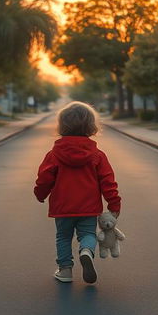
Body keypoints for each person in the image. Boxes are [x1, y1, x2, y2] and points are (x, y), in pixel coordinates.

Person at [34, 101, 121, 284]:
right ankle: (86, 251)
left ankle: (65, 270)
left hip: (63, 207)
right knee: (88, 235)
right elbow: (108, 181)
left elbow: (44, 178)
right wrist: (114, 204)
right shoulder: (97, 155)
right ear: (91, 126)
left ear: (62, 126)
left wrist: (40, 194)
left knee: (63, 237)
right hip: (89, 208)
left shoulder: (54, 154)